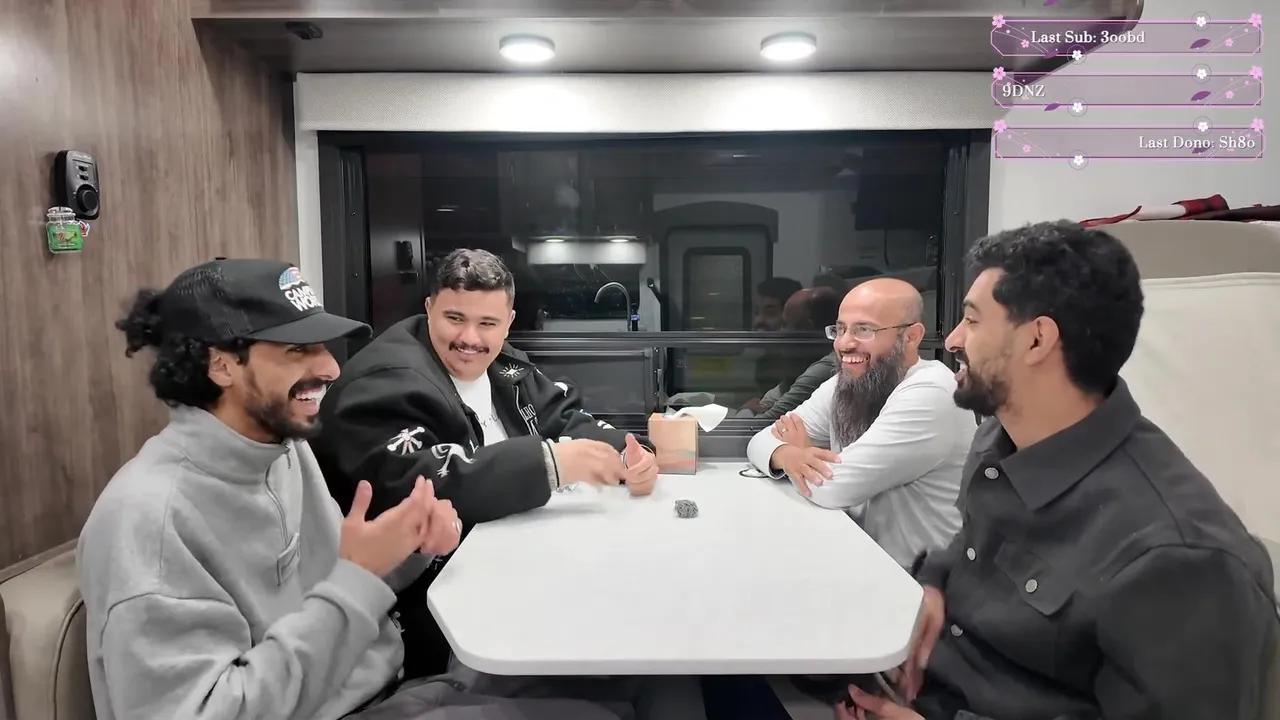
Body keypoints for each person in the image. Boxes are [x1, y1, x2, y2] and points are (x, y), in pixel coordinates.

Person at [77, 259, 632, 720]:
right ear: (220, 365)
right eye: (296, 351)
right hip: (346, 705)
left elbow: (332, 594)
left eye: (322, 347)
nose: (329, 368)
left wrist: (409, 549)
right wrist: (359, 580)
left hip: (382, 686)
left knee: (627, 688)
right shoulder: (149, 520)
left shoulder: (286, 450)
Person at [843, 221, 1280, 720]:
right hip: (917, 683)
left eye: (973, 320)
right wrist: (936, 582)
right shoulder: (1000, 440)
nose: (955, 339)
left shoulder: (1181, 562)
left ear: (1037, 341)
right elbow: (972, 544)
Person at [314, 248, 660, 677]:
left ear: (508, 322)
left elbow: (565, 417)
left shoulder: (504, 366)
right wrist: (548, 462)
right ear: (429, 308)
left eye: (488, 324)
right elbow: (424, 486)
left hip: (524, 570)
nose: (470, 338)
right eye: (454, 318)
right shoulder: (383, 382)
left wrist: (630, 454)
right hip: (437, 609)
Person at [746, 277, 975, 568]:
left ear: (911, 336)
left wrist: (800, 456)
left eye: (864, 330)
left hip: (920, 582)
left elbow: (834, 488)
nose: (844, 343)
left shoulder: (932, 392)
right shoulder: (850, 380)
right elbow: (761, 440)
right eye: (840, 329)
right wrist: (789, 455)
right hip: (866, 561)